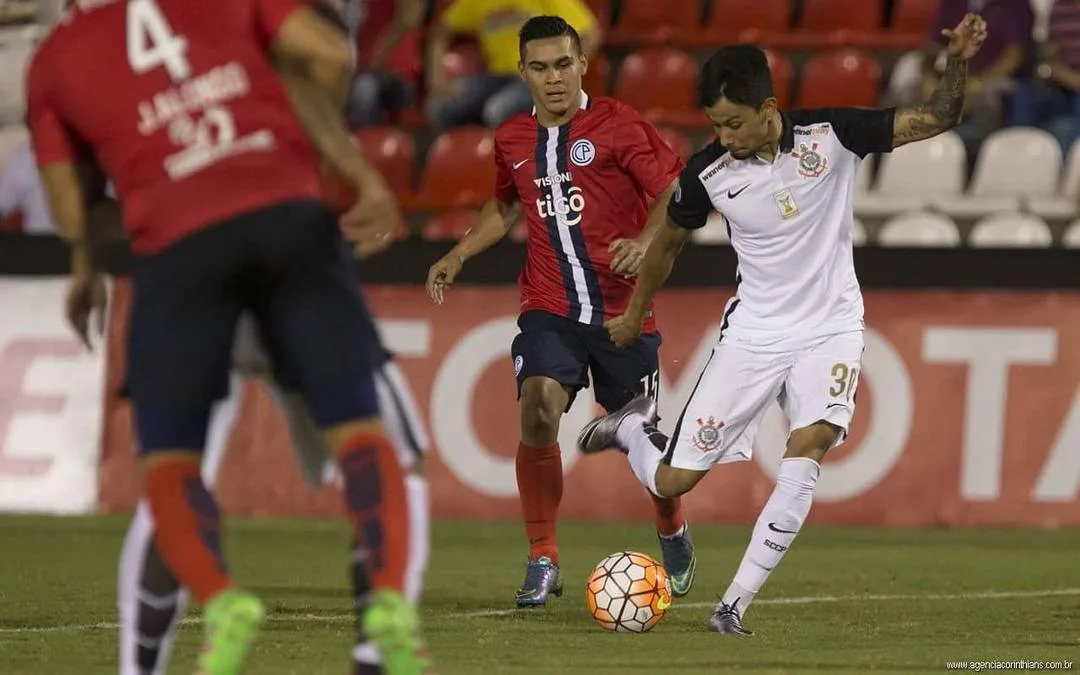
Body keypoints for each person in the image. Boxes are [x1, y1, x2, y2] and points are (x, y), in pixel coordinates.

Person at [26, 0, 432, 672]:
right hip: (291, 226)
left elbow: (72, 208)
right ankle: (380, 631)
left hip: (181, 253)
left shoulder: (55, 58)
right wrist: (344, 170)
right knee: (378, 442)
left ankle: (189, 626)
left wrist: (86, 261)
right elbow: (327, 57)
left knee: (172, 468)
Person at [577, 17, 988, 635]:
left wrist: (956, 61)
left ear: (768, 108)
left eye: (733, 123)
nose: (724, 136)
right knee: (673, 478)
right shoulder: (708, 172)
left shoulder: (834, 133)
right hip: (754, 334)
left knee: (811, 443)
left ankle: (731, 606)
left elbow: (937, 118)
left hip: (832, 325)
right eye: (715, 125)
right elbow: (666, 246)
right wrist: (635, 312)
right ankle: (635, 429)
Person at [425, 15, 695, 609]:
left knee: (643, 439)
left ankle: (672, 526)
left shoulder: (618, 124)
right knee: (538, 408)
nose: (554, 78)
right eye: (541, 67)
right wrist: (459, 252)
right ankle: (542, 557)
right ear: (521, 71)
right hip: (549, 308)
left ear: (582, 64)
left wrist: (648, 242)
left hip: (624, 314)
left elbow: (673, 190)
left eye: (564, 65)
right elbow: (503, 210)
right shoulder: (512, 139)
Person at [425, 0, 601, 130]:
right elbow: (440, 34)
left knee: (497, 110)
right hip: (494, 78)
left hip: (534, 78)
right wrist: (436, 80)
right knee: (440, 107)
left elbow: (591, 34)